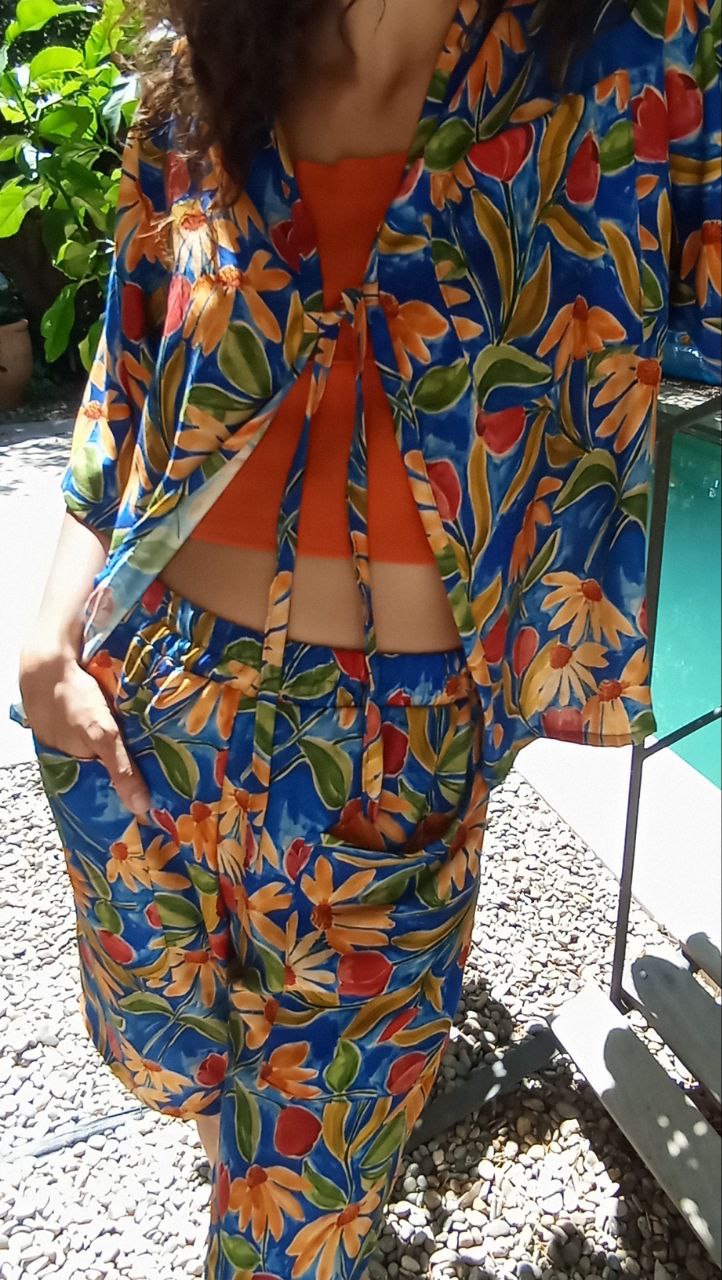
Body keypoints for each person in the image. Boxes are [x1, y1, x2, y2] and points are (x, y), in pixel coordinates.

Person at [14, 0, 720, 1276]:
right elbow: (125, 377)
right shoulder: (207, 68)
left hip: (385, 762)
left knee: (300, 1220)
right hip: (147, 706)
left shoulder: (640, 58)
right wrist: (45, 644)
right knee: (177, 1065)